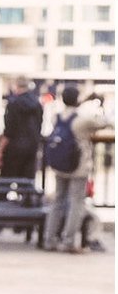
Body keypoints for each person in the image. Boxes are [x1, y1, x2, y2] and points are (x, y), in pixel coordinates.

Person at [42, 87, 103, 252]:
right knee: (76, 203)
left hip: (59, 166)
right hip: (78, 167)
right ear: (77, 99)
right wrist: (96, 104)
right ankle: (68, 241)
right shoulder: (82, 119)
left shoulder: (57, 117)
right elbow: (103, 123)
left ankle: (49, 239)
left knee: (57, 201)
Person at [0, 77, 45, 208]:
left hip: (14, 148)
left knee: (5, 182)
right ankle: (25, 221)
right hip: (31, 147)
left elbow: (9, 129)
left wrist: (0, 150)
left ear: (16, 86)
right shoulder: (37, 103)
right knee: (27, 184)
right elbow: (39, 125)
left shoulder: (13, 103)